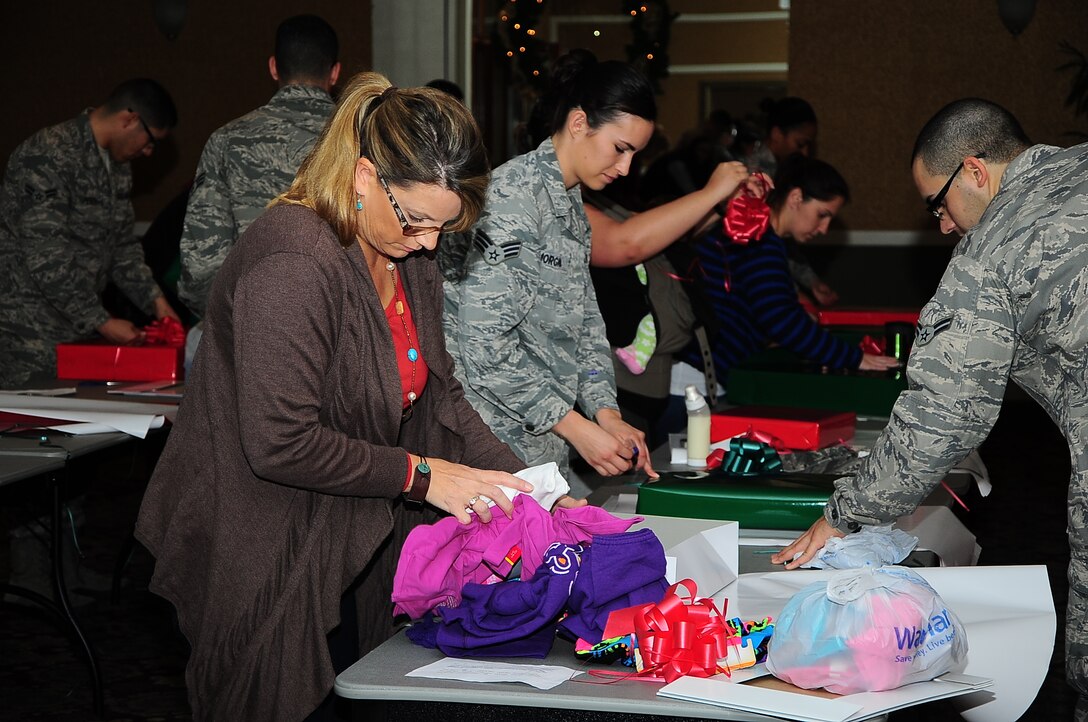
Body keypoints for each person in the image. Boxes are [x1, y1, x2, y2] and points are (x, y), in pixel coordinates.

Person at [135, 72, 539, 721]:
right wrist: (422, 475)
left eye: (445, 227)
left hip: (351, 524)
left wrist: (528, 486)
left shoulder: (407, 252)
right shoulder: (294, 262)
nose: (431, 243)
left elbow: (440, 393)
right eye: (417, 220)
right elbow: (280, 443)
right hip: (264, 535)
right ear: (362, 177)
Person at [773, 98, 1088, 718]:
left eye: (936, 204)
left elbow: (945, 411)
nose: (943, 225)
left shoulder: (997, 241)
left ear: (975, 171)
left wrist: (843, 516)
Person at [442, 49, 658, 484]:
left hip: (542, 441)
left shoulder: (571, 201)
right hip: (492, 444)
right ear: (579, 123)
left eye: (634, 154)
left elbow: (585, 326)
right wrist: (577, 427)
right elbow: (485, 348)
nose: (626, 168)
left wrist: (606, 413)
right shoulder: (514, 198)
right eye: (620, 149)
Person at [0, 78, 180, 387]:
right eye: (151, 141)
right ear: (130, 119)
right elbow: (47, 257)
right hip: (28, 336)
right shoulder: (48, 154)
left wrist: (155, 301)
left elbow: (121, 247)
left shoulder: (117, 165)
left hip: (76, 331)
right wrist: (102, 322)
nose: (149, 152)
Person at [178, 14, 340, 346]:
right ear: (335, 72)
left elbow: (201, 263)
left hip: (249, 334)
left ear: (273, 67)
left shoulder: (226, 141)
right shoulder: (362, 140)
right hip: (340, 336)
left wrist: (229, 323)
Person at [683, 154, 899, 393]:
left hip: (696, 372)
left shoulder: (758, 232)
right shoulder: (759, 236)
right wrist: (855, 358)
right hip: (695, 378)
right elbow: (780, 318)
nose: (824, 229)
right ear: (796, 198)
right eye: (822, 214)